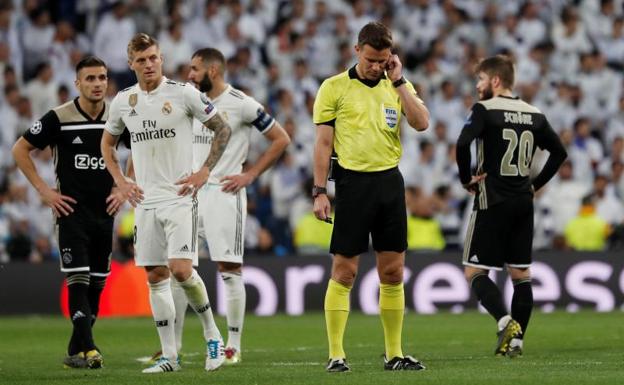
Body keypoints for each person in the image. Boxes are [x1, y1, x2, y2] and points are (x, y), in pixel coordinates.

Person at [100, 33, 231, 374]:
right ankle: (170, 356)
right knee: (155, 276)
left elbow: (222, 129)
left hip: (179, 196)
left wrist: (204, 171)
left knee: (181, 269)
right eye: (141, 60)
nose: (149, 64)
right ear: (131, 64)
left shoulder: (183, 93)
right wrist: (121, 180)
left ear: (161, 58)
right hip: (145, 201)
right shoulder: (123, 101)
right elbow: (107, 143)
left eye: (153, 57)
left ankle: (212, 336)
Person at [159, 47, 289, 365]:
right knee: (179, 269)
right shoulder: (188, 99)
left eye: (194, 69)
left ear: (212, 71)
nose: (189, 75)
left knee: (229, 270)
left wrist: (251, 174)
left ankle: (232, 346)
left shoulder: (242, 104)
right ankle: (172, 348)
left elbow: (281, 139)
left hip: (223, 192)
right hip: (189, 191)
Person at [312, 21, 430, 372]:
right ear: (356, 50)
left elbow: (422, 123)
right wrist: (320, 191)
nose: (376, 66)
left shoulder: (397, 85)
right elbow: (323, 143)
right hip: (352, 184)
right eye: (370, 60)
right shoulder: (333, 87)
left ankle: (394, 353)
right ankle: (336, 354)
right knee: (344, 272)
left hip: (389, 184)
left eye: (382, 61)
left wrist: (398, 82)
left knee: (393, 272)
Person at [12, 56, 127, 369]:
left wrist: (124, 186)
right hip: (71, 213)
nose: (97, 84)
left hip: (105, 213)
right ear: (77, 83)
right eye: (89, 79)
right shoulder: (59, 117)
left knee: (97, 285)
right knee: (78, 278)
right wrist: (44, 191)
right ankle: (90, 351)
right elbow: (20, 149)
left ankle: (75, 351)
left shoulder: (117, 117)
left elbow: (142, 148)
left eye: (101, 78)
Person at [456, 55, 567, 357]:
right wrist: (535, 184)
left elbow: (462, 143)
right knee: (521, 274)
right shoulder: (534, 113)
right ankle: (516, 343)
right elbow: (559, 153)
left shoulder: (485, 110)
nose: (477, 85)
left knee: (474, 272)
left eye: (480, 79)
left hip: (492, 199)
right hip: (523, 201)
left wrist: (467, 179)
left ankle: (506, 322)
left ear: (494, 81)